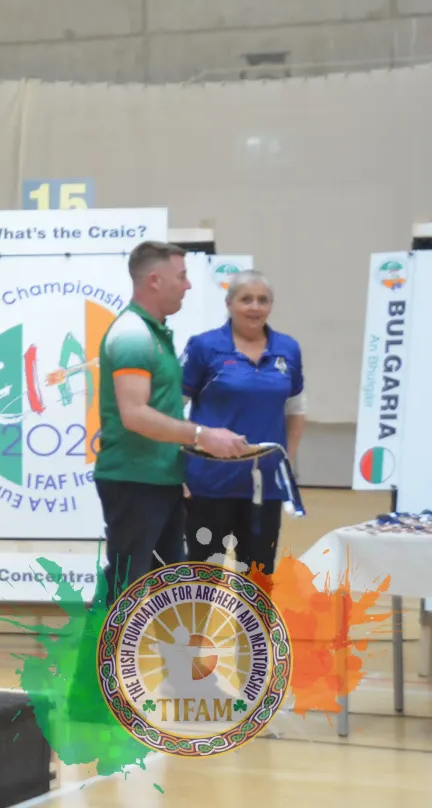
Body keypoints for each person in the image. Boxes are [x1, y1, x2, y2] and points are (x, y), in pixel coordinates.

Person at [95, 241, 245, 609]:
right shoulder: (132, 333)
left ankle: (153, 652)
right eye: (182, 276)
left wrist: (179, 466)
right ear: (155, 280)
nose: (188, 285)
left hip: (159, 480)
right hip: (133, 480)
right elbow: (135, 414)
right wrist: (202, 435)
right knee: (125, 590)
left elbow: (160, 412)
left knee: (166, 592)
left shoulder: (155, 332)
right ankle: (99, 651)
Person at [180, 270, 305, 576]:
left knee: (259, 579)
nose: (255, 307)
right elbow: (172, 408)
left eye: (263, 300)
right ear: (229, 303)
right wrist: (176, 468)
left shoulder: (288, 349)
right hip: (208, 485)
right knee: (202, 579)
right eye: (246, 299)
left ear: (271, 305)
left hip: (264, 489)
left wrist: (284, 461)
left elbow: (297, 409)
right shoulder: (204, 347)